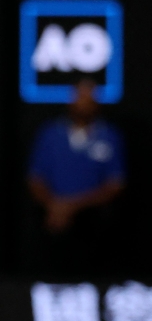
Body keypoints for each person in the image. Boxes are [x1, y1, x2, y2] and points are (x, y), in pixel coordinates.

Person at [27, 79, 125, 275]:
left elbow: (116, 183)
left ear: (97, 104)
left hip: (92, 218)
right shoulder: (50, 134)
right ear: (71, 101)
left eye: (89, 99)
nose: (84, 104)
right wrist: (54, 206)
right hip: (53, 216)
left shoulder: (109, 136)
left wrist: (73, 206)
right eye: (80, 98)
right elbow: (35, 178)